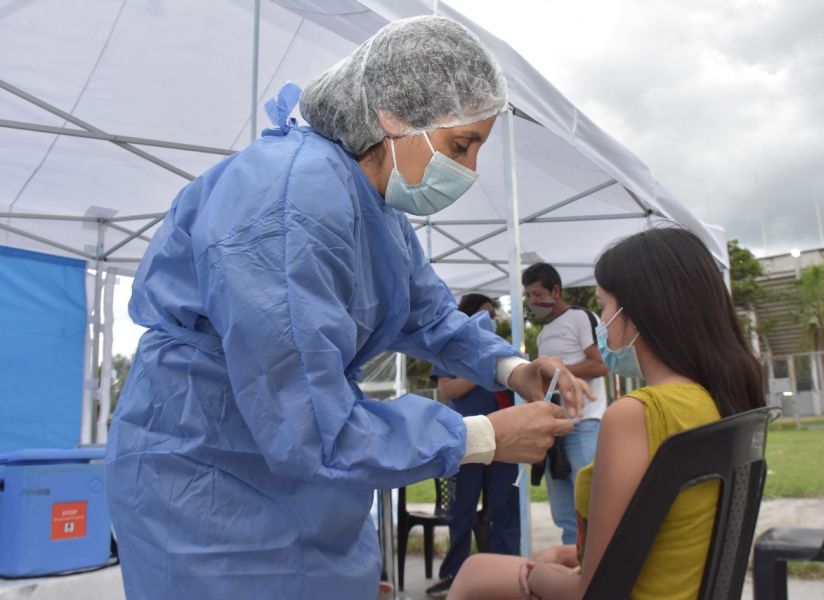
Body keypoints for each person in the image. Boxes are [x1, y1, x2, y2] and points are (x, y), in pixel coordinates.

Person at [105, 16, 592, 600]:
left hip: (302, 483)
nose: (469, 170)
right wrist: (482, 437)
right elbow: (307, 422)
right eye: (462, 146)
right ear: (393, 114)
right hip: (207, 474)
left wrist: (512, 368)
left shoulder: (376, 209)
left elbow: (429, 316)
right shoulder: (288, 204)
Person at [447, 227, 765, 600]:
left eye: (603, 307)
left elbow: (592, 590)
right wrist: (565, 554)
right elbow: (666, 536)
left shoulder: (637, 414)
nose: (602, 322)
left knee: (475, 571)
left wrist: (532, 575)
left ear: (637, 315)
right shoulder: (723, 398)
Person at [425, 294, 521, 597]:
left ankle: (509, 576)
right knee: (461, 511)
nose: (491, 319)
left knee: (505, 509)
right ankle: (454, 575)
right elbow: (448, 388)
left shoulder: (500, 352)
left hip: (504, 443)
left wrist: (496, 367)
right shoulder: (448, 348)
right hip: (464, 441)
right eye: (486, 313)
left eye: (493, 314)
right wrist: (484, 372)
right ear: (469, 317)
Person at [522, 262, 608, 545]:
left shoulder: (581, 318)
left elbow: (600, 364)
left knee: (591, 505)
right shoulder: (545, 333)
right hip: (556, 429)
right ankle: (573, 566)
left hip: (584, 424)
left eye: (537, 294)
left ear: (555, 291)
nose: (533, 302)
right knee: (564, 512)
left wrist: (560, 372)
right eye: (528, 295)